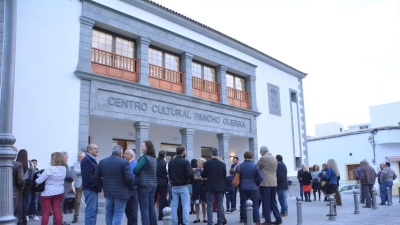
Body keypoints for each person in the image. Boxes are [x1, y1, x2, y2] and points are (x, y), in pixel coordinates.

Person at [94, 145, 135, 225]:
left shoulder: (102, 162)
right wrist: (131, 187)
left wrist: (103, 186)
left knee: (109, 212)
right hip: (122, 192)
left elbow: (96, 177)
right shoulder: (124, 162)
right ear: (121, 153)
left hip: (108, 192)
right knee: (118, 213)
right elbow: (129, 178)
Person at [36, 152, 67, 225]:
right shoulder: (64, 168)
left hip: (47, 192)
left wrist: (36, 179)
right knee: (57, 210)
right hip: (59, 191)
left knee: (45, 212)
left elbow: (39, 181)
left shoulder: (50, 168)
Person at [168, 146, 194, 225]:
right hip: (183, 185)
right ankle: (185, 222)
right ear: (183, 152)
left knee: (174, 205)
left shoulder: (171, 162)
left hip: (174, 186)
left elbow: (169, 173)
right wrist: (190, 181)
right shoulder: (185, 162)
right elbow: (190, 173)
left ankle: (174, 222)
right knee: (185, 205)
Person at [133, 140, 158, 225]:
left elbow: (135, 170)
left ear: (147, 147)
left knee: (144, 209)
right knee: (152, 208)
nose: (141, 147)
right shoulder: (154, 158)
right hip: (153, 185)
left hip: (144, 185)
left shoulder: (144, 158)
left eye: (143, 146)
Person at [257, 146, 282, 225]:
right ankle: (278, 218)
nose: (260, 154)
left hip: (265, 183)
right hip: (273, 182)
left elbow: (256, 167)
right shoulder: (274, 158)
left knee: (266, 202)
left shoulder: (263, 158)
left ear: (263, 152)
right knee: (273, 201)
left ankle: (268, 220)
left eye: (260, 152)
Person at [201, 148, 227, 225]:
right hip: (220, 186)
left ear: (211, 154)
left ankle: (210, 222)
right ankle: (220, 222)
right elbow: (224, 176)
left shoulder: (207, 163)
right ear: (218, 155)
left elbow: (203, 175)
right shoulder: (223, 164)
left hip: (210, 186)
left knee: (209, 205)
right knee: (219, 204)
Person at [238, 151, 263, 225]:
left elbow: (236, 177)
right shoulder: (255, 166)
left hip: (243, 187)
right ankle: (257, 221)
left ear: (244, 157)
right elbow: (260, 178)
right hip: (253, 187)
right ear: (252, 157)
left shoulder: (240, 166)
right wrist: (256, 184)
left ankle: (246, 222)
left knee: (243, 205)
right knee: (255, 205)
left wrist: (240, 185)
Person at [81, 144, 102, 225]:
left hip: (93, 189)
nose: (97, 150)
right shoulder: (87, 160)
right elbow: (89, 177)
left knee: (93, 211)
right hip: (90, 189)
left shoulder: (91, 160)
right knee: (91, 211)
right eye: (95, 149)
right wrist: (98, 186)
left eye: (97, 148)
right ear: (89, 150)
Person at [16, 149, 33, 225]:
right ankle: (24, 219)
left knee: (20, 201)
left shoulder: (17, 163)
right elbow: (31, 175)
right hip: (27, 184)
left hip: (18, 183)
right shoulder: (29, 163)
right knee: (24, 201)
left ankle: (20, 220)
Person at [124, 148, 139, 225]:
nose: (124, 155)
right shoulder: (124, 163)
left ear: (131, 155)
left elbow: (136, 176)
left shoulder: (135, 164)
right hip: (126, 189)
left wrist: (134, 185)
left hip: (133, 189)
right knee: (127, 209)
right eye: (124, 153)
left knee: (133, 210)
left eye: (126, 154)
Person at [72, 151, 85, 223]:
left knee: (88, 200)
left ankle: (88, 216)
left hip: (86, 183)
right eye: (78, 157)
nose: (78, 158)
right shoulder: (75, 163)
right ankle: (75, 217)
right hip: (79, 184)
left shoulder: (87, 163)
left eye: (80, 157)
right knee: (77, 201)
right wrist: (85, 170)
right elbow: (77, 172)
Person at [155, 150, 168, 220]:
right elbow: (167, 173)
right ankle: (161, 215)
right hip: (163, 182)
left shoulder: (155, 162)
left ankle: (152, 213)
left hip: (154, 181)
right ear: (164, 156)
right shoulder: (165, 163)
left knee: (153, 198)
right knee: (162, 198)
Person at [12, 147, 25, 211]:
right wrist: (21, 188)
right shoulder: (18, 165)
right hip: (14, 191)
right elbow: (21, 180)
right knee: (11, 212)